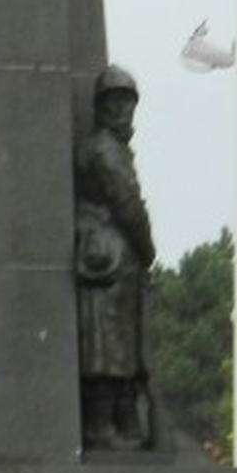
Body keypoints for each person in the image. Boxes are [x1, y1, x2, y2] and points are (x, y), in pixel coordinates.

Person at [74, 63, 157, 450]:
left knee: (121, 345)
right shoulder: (104, 150)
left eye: (128, 102)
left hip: (115, 257)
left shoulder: (115, 148)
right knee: (106, 347)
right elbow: (128, 206)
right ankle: (100, 425)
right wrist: (148, 250)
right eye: (115, 102)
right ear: (101, 107)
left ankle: (123, 422)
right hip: (106, 254)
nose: (123, 111)